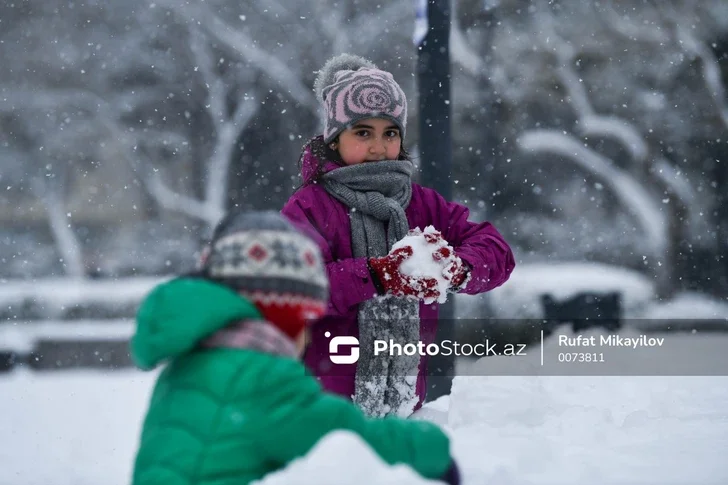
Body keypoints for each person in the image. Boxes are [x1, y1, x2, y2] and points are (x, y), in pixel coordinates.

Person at [129, 210, 461, 485]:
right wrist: (433, 449)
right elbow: (345, 434)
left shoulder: (189, 365)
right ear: (285, 318)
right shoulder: (261, 377)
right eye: (307, 321)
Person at [282, 53, 516, 418]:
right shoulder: (310, 205)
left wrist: (459, 268)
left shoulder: (421, 203)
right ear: (334, 139)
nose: (379, 147)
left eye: (390, 133)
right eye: (363, 132)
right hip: (318, 409)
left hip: (404, 407)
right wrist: (376, 275)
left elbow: (496, 251)